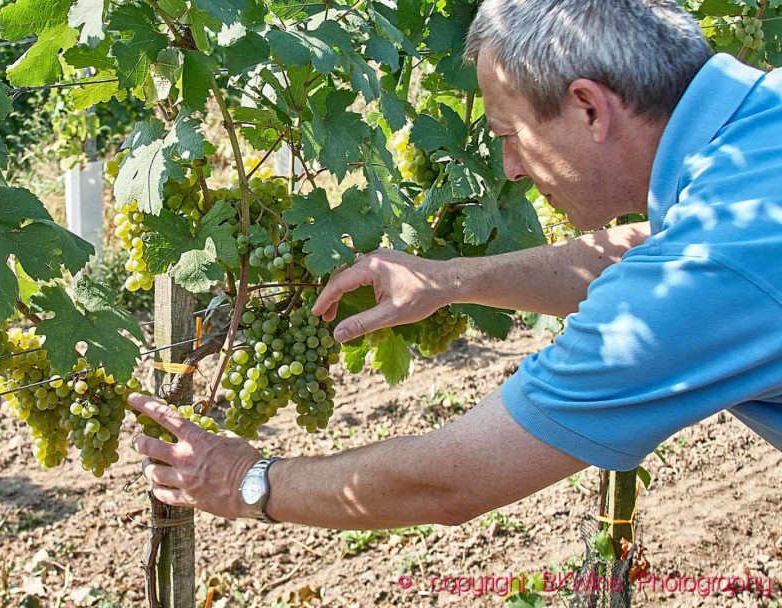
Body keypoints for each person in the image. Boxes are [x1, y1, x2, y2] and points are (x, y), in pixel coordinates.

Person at [129, 0, 782, 529]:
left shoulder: (710, 268)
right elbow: (650, 255)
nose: (511, 170)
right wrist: (456, 280)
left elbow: (450, 483)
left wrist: (243, 480)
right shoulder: (755, 140)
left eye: (508, 136)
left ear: (588, 107)